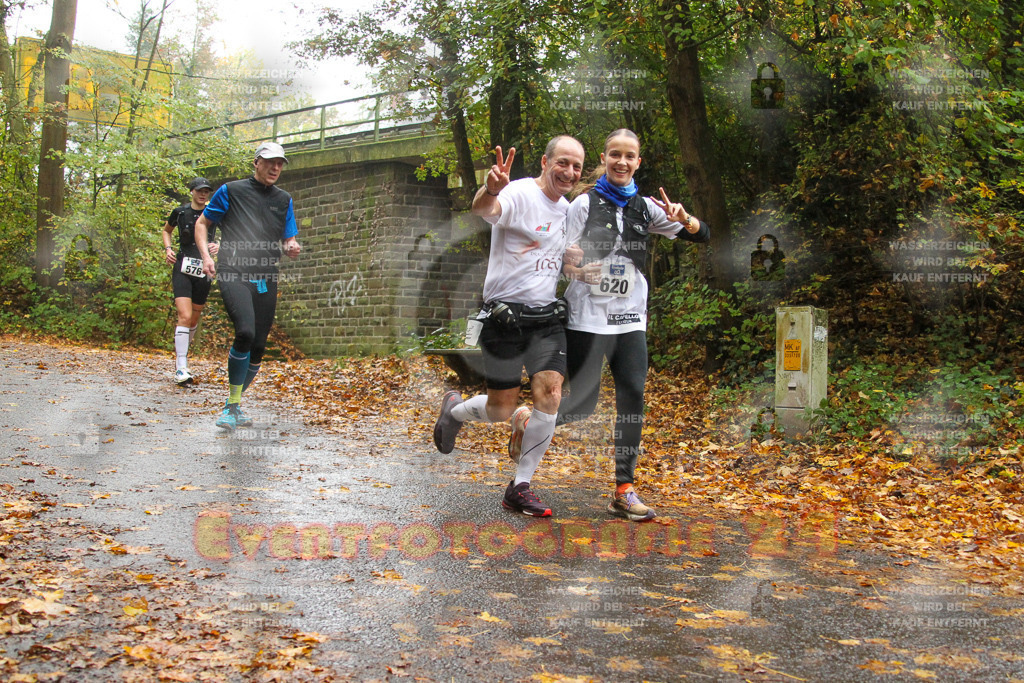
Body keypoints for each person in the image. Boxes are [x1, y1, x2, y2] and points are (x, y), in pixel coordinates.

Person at [510, 129, 710, 522]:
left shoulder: (647, 207)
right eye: (615, 154)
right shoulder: (582, 204)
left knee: (632, 398)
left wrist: (684, 218)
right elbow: (559, 259)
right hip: (587, 317)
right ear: (604, 159)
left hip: (630, 318)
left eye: (629, 156)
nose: (622, 161)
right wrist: (577, 269)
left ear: (638, 162)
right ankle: (528, 419)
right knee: (582, 405)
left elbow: (703, 236)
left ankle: (624, 490)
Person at [432, 137, 585, 517]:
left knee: (550, 393)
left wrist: (575, 263)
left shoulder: (568, 211)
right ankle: (455, 411)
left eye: (576, 167)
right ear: (545, 162)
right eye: (562, 163)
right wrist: (490, 188)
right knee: (501, 409)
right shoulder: (518, 192)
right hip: (504, 318)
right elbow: (484, 208)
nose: (569, 172)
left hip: (546, 320)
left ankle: (520, 486)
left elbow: (565, 261)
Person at [194, 142, 301, 430]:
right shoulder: (231, 191)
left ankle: (235, 404)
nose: (275, 168)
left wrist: (291, 246)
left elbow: (289, 238)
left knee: (259, 347)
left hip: (266, 277)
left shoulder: (284, 199)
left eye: (280, 163)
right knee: (245, 332)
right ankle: (230, 407)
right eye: (270, 162)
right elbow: (202, 224)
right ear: (256, 162)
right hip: (234, 272)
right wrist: (206, 257)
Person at [162, 177, 217, 385]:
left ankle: (182, 356)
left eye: (206, 191)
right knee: (184, 316)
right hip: (183, 267)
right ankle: (181, 367)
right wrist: (168, 249)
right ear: (192, 191)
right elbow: (166, 230)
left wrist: (218, 245)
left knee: (193, 319)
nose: (203, 194)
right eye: (200, 190)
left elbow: (229, 233)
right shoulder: (180, 212)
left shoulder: (213, 213)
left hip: (204, 269)